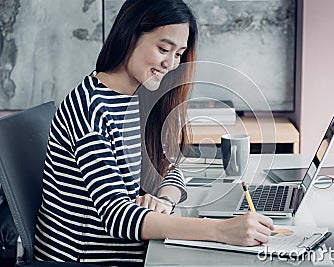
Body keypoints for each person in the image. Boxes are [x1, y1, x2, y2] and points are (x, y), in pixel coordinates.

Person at [34, 0, 274, 266]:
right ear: (129, 35)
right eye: (163, 48)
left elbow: (169, 167)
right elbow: (118, 217)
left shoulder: (138, 97)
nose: (171, 63)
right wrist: (221, 231)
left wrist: (162, 200)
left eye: (179, 53)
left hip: (139, 251)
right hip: (87, 259)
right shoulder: (89, 107)